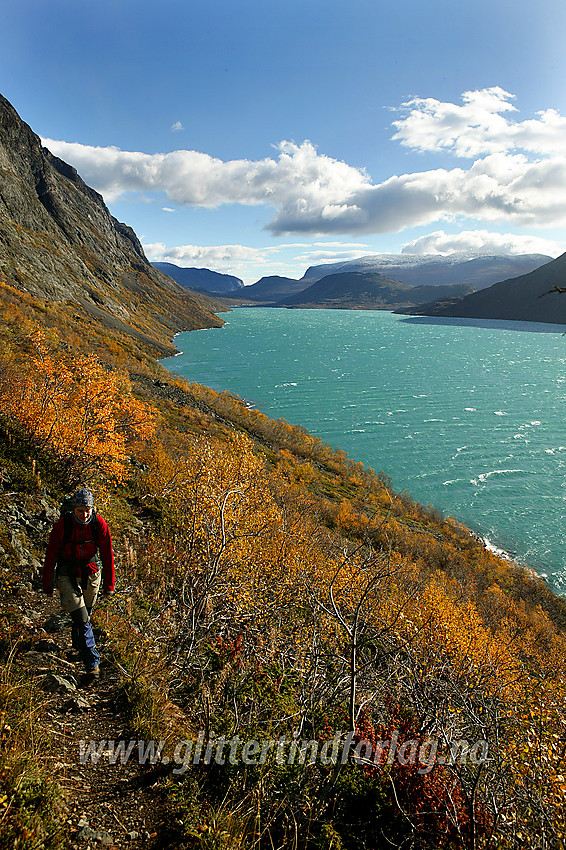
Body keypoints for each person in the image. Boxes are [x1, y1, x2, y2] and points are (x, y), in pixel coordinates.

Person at [43, 488, 115, 684]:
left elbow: (107, 554)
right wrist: (47, 583)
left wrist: (109, 585)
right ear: (73, 510)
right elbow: (51, 555)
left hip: (91, 573)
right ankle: (92, 664)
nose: (84, 515)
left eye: (88, 510)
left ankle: (79, 646)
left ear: (93, 509)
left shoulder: (98, 524)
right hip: (66, 573)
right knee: (82, 618)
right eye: (80, 510)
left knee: (86, 615)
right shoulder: (62, 526)